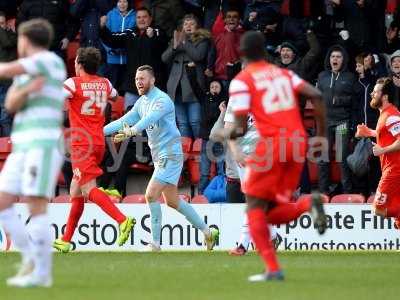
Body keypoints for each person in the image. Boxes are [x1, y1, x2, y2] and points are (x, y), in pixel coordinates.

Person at [214, 31, 327, 281]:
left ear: (242, 54)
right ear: (265, 51)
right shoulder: (283, 73)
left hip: (273, 145)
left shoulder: (243, 80)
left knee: (254, 207)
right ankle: (309, 203)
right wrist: (321, 136)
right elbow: (317, 96)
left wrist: (222, 132)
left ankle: (272, 269)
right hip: (298, 144)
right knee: (270, 210)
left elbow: (240, 127)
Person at [104, 65, 219, 251]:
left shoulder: (162, 100)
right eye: (136, 79)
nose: (138, 82)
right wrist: (99, 132)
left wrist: (132, 131)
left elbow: (148, 119)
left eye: (142, 79)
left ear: (152, 80)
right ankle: (208, 232)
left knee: (150, 195)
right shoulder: (142, 102)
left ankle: (155, 244)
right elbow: (123, 121)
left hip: (171, 154)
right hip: (160, 156)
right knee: (173, 201)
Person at [0, 18, 66, 287]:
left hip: (43, 142)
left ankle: (42, 273)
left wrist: (21, 84)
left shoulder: (50, 61)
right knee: (2, 201)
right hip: (22, 144)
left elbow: (4, 70)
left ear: (25, 40)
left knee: (35, 204)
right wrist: (27, 87)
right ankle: (30, 258)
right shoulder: (29, 72)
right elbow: (10, 103)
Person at [53, 47, 135, 253]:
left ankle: (122, 220)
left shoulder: (73, 83)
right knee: (76, 192)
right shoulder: (105, 83)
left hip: (82, 145)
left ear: (79, 63)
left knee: (89, 190)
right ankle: (66, 239)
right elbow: (115, 97)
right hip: (99, 142)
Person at [356, 77, 400, 229]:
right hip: (391, 169)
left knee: (377, 209)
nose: (372, 94)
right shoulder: (385, 115)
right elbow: (387, 135)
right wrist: (370, 132)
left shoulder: (391, 116)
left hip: (394, 171)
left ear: (385, 96)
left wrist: (383, 150)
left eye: (375, 92)